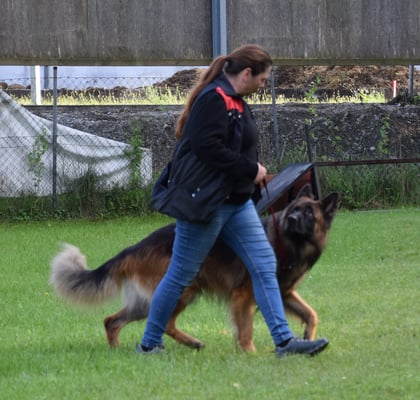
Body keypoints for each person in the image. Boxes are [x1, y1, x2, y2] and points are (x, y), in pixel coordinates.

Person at [138, 44, 329, 357]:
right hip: (207, 204)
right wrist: (250, 169)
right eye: (263, 79)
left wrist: (250, 170)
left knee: (264, 265)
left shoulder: (235, 100)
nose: (263, 85)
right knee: (181, 273)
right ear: (246, 73)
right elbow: (206, 147)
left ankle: (284, 341)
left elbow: (234, 144)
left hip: (237, 203)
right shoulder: (213, 99)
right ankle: (149, 343)